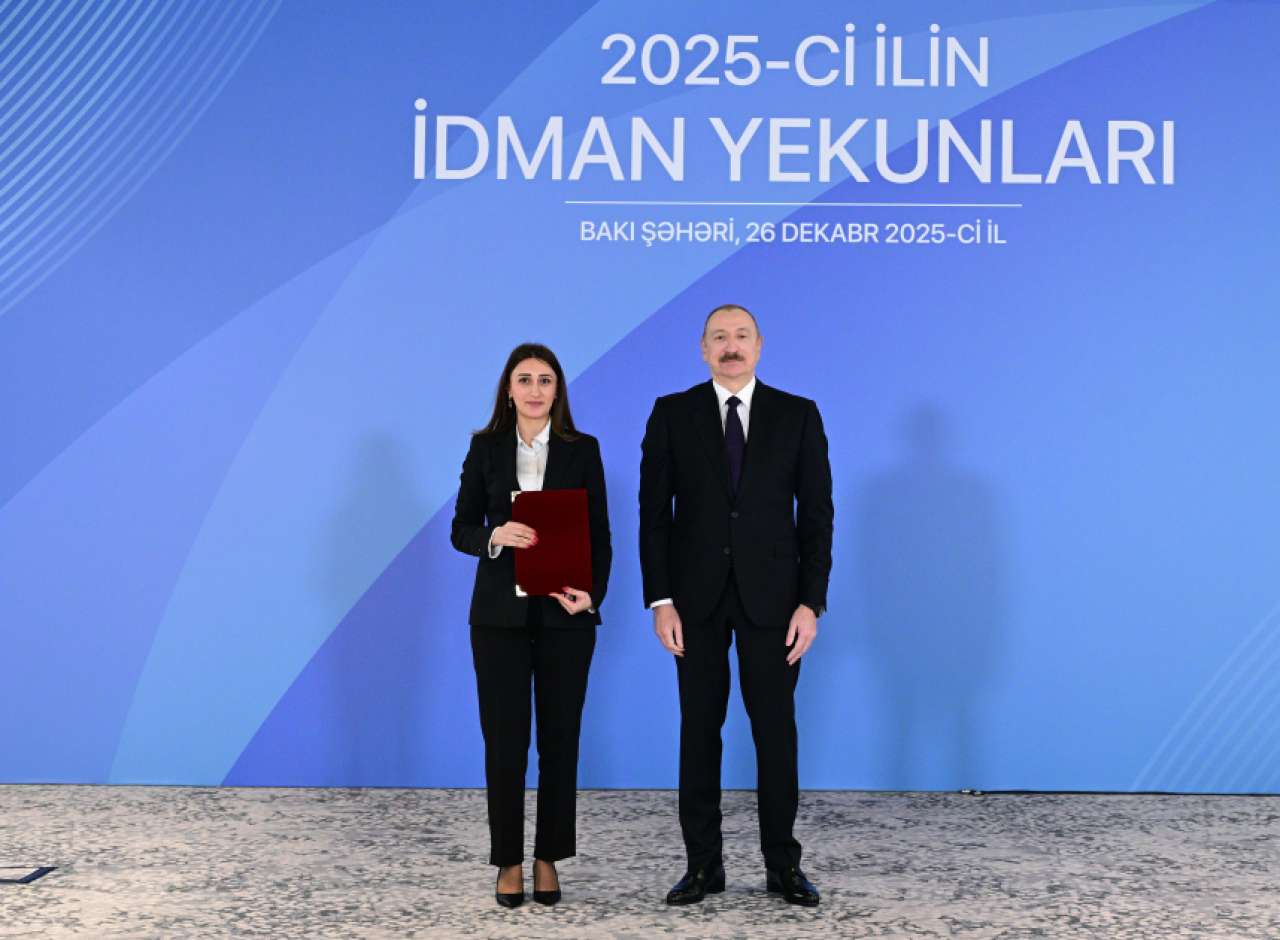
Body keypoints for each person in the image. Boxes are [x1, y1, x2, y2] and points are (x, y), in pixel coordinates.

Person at [639, 304, 833, 907]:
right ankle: (703, 866)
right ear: (703, 349)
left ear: (760, 345)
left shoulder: (798, 415)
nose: (731, 346)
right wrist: (661, 600)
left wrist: (811, 604)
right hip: (693, 602)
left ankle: (783, 866)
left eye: (741, 336)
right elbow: (654, 517)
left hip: (775, 603)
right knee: (699, 732)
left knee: (776, 734)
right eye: (719, 337)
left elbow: (817, 517)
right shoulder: (671, 414)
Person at [451, 343, 611, 908]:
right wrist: (495, 536)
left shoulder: (582, 449)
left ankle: (548, 858)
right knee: (504, 742)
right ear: (508, 389)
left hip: (565, 617)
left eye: (545, 380)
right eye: (525, 379)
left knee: (560, 741)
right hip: (499, 619)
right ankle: (509, 861)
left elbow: (599, 535)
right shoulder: (485, 447)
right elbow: (461, 528)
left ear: (558, 390)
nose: (535, 389)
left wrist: (591, 596)